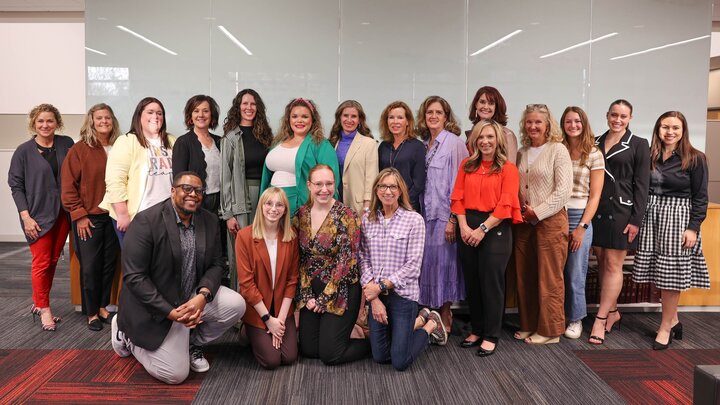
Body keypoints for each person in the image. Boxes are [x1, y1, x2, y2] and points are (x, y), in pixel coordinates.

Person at [110, 171, 246, 384]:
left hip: (190, 296)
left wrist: (202, 296)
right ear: (173, 191)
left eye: (199, 190)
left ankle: (192, 342)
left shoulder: (209, 221)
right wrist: (171, 313)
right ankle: (126, 334)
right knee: (175, 375)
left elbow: (217, 264)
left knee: (236, 304)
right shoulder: (147, 221)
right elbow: (135, 277)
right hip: (155, 307)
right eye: (187, 188)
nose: (194, 194)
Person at [632, 111, 709, 350]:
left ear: (683, 130)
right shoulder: (650, 155)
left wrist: (693, 228)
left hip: (677, 218)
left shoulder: (695, 158)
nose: (670, 132)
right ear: (658, 129)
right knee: (657, 272)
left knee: (670, 275)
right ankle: (674, 320)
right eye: (665, 127)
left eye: (676, 128)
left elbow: (700, 197)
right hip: (651, 215)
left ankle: (665, 327)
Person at [360, 168, 447, 371]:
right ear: (376, 190)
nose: (388, 191)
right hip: (377, 297)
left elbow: (413, 266)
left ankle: (430, 324)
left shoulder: (413, 220)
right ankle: (413, 325)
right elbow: (363, 258)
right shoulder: (368, 220)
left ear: (400, 191)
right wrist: (374, 299)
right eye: (383, 186)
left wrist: (379, 287)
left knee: (400, 361)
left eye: (393, 187)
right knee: (380, 357)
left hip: (403, 296)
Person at [451, 119, 522, 356]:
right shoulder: (467, 165)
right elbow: (457, 199)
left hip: (495, 229)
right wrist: (463, 226)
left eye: (490, 137)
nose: (485, 141)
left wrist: (481, 229)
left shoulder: (508, 169)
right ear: (475, 140)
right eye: (481, 137)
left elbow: (506, 205)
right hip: (467, 226)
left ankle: (491, 334)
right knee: (472, 281)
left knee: (491, 283)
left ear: (498, 140)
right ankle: (477, 328)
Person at [9, 103, 74, 332]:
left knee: (53, 261)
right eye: (40, 121)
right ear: (33, 124)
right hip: (36, 215)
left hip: (62, 214)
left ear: (57, 122)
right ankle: (44, 308)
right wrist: (25, 217)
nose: (45, 125)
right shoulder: (23, 151)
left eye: (49, 120)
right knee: (41, 262)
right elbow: (15, 185)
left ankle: (38, 303)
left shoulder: (66, 144)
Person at [589, 99, 649, 345]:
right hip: (597, 209)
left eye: (623, 116)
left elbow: (642, 186)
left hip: (621, 212)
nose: (618, 120)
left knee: (614, 265)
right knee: (602, 262)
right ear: (607, 115)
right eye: (614, 115)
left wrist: (636, 220)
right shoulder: (595, 141)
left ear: (630, 118)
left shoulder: (638, 144)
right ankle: (613, 312)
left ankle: (600, 319)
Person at [295, 164, 369, 365]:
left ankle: (370, 342)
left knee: (330, 355)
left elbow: (346, 261)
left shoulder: (347, 215)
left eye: (329, 183)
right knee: (309, 350)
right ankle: (342, 331)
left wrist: (324, 299)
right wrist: (308, 295)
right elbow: (300, 259)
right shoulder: (301, 215)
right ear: (309, 185)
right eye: (318, 184)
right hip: (313, 288)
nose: (324, 189)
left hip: (341, 290)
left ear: (335, 184)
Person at [514, 104, 573, 345]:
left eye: (538, 122)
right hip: (523, 223)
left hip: (550, 221)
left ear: (548, 125)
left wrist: (536, 212)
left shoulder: (558, 150)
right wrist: (523, 213)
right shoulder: (521, 152)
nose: (533, 126)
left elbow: (563, 191)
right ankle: (529, 324)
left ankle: (550, 331)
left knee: (549, 278)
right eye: (529, 122)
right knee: (524, 275)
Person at [61, 103, 122, 331]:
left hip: (114, 217)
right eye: (99, 118)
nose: (104, 121)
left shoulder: (119, 147)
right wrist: (79, 215)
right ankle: (92, 312)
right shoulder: (79, 149)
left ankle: (104, 305)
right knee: (89, 266)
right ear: (92, 121)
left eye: (107, 117)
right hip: (89, 218)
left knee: (109, 265)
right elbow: (67, 186)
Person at [416, 96, 468, 333]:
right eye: (429, 112)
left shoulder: (454, 143)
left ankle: (446, 314)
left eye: (438, 112)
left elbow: (462, 182)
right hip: (424, 216)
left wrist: (453, 219)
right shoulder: (424, 143)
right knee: (427, 265)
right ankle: (429, 315)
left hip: (445, 216)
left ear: (446, 117)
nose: (433, 116)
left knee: (445, 265)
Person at [236, 187, 299, 369]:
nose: (274, 209)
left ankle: (268, 331)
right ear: (261, 206)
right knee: (271, 360)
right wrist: (268, 320)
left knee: (289, 357)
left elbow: (292, 280)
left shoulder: (291, 237)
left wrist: (279, 320)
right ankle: (246, 331)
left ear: (285, 210)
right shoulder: (245, 236)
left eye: (279, 205)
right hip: (258, 308)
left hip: (281, 308)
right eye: (269, 203)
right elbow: (246, 285)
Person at [99, 97, 175, 245]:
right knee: (137, 266)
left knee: (163, 265)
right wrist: (122, 214)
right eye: (150, 112)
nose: (155, 117)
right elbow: (115, 181)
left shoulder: (172, 140)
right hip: (136, 216)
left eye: (159, 113)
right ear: (139, 116)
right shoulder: (126, 141)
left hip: (166, 217)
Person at [220, 89, 272, 290]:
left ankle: (261, 304)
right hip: (240, 201)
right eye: (244, 104)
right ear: (238, 107)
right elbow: (225, 178)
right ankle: (239, 306)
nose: (249, 108)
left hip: (264, 198)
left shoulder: (266, 136)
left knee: (263, 252)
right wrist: (228, 215)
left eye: (253, 104)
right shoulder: (230, 139)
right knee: (240, 254)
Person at [559, 106, 604, 339]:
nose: (573, 125)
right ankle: (556, 317)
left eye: (577, 121)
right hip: (556, 216)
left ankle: (576, 319)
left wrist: (582, 227)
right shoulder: (558, 149)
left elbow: (595, 196)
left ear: (583, 123)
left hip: (580, 218)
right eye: (568, 121)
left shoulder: (594, 153)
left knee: (576, 272)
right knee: (555, 272)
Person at [260, 98, 340, 215]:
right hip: (272, 205)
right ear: (288, 119)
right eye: (295, 116)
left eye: (305, 117)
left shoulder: (321, 144)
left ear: (312, 120)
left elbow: (332, 178)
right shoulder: (278, 142)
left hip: (298, 205)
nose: (299, 120)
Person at [172, 95, 222, 212]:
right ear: (190, 116)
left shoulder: (220, 141)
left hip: (220, 203)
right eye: (196, 111)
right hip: (195, 203)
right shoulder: (183, 142)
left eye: (205, 111)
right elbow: (178, 179)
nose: (201, 115)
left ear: (212, 115)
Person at [329, 100, 378, 214]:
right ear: (339, 118)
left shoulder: (369, 143)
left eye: (354, 116)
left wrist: (367, 205)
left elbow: (371, 177)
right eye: (345, 115)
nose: (349, 120)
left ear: (360, 119)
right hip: (334, 201)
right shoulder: (331, 143)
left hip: (358, 205)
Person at [377, 101, 426, 213]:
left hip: (408, 206)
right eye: (391, 117)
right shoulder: (383, 146)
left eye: (400, 118)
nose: (395, 122)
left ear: (407, 121)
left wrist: (402, 202)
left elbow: (419, 183)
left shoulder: (417, 146)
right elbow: (378, 176)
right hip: (385, 204)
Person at [468, 86, 518, 163]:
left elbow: (511, 168)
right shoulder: (473, 132)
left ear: (496, 107)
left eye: (491, 103)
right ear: (476, 104)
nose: (486, 107)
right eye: (482, 102)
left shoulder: (507, 135)